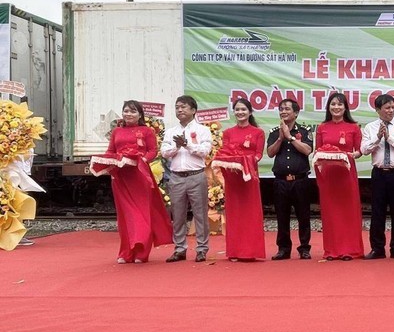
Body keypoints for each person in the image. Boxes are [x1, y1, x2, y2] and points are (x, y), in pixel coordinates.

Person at [89, 100, 172, 263]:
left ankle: (141, 251)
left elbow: (152, 151)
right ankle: (126, 252)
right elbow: (111, 151)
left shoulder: (147, 131)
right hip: (120, 177)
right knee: (125, 215)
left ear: (140, 114)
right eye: (126, 111)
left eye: (133, 111)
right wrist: (111, 163)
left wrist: (142, 160)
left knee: (141, 213)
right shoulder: (116, 131)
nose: (128, 114)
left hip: (140, 176)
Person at [212, 98, 266, 261]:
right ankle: (235, 251)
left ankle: (251, 251)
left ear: (250, 112)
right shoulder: (228, 133)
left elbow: (258, 155)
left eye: (243, 109)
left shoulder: (258, 132)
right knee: (234, 214)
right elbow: (225, 152)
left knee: (251, 214)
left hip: (249, 178)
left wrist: (246, 161)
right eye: (237, 109)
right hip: (233, 179)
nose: (240, 112)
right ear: (234, 112)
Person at [161, 95, 213, 263]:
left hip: (196, 176)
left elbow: (205, 151)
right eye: (177, 107)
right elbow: (164, 152)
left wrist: (187, 144)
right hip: (176, 177)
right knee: (177, 215)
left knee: (200, 214)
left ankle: (202, 249)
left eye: (183, 107)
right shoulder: (170, 131)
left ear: (193, 110)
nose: (180, 110)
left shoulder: (203, 130)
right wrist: (177, 146)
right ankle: (180, 249)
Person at [361, 94, 394, 260]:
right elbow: (364, 149)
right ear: (378, 110)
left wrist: (389, 138)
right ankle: (377, 248)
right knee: (377, 211)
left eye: (392, 107)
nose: (391, 110)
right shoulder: (370, 127)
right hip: (379, 173)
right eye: (387, 108)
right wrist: (378, 138)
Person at [314, 93, 364, 261]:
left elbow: (359, 151)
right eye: (333, 104)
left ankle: (349, 250)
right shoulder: (322, 127)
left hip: (346, 174)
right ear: (329, 107)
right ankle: (331, 250)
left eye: (340, 104)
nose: (336, 107)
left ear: (345, 108)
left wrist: (349, 155)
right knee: (330, 212)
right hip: (329, 175)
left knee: (348, 211)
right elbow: (317, 150)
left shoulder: (353, 127)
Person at [266, 98, 314, 260]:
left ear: (296, 113)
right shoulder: (274, 132)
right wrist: (281, 137)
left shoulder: (304, 130)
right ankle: (283, 249)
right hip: (280, 181)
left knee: (303, 215)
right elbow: (270, 153)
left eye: (287, 109)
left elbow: (307, 150)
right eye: (281, 109)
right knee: (282, 216)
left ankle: (304, 248)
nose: (283, 111)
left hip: (300, 180)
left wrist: (290, 137)